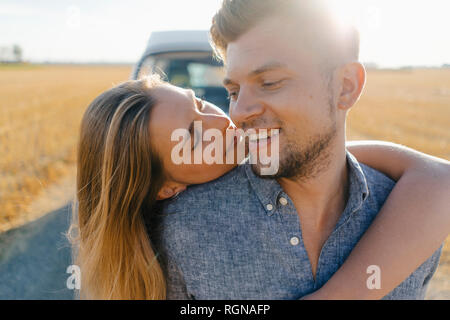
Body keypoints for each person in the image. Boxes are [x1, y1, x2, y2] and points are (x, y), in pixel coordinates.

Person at [150, 0, 448, 299]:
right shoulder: (184, 228)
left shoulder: (413, 213)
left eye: (269, 82)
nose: (239, 112)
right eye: (234, 92)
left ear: (345, 86)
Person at [71, 74, 448, 300]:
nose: (222, 122)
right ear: (165, 188)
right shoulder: (172, 246)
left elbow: (439, 178)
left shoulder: (261, 155)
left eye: (199, 102)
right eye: (194, 135)